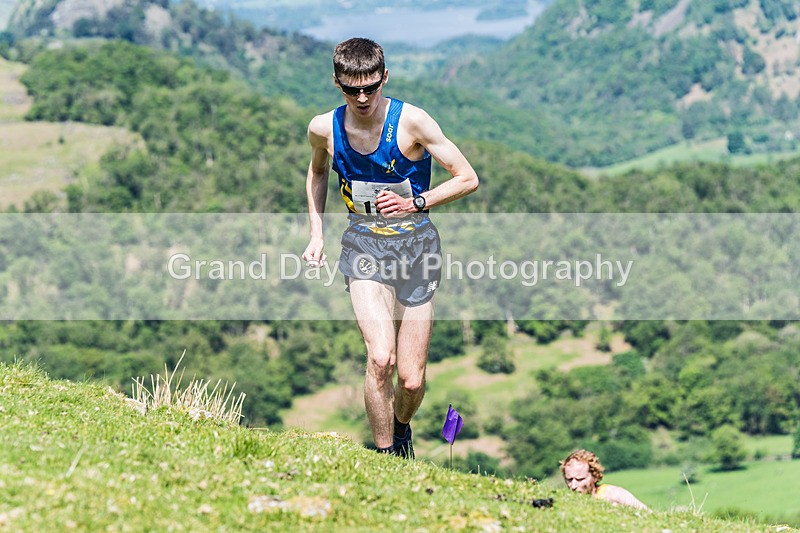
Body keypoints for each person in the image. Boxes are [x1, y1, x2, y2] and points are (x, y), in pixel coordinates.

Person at [302, 37, 478, 459]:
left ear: (385, 77)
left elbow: (467, 177)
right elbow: (316, 172)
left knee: (411, 379)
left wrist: (413, 202)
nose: (361, 97)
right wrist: (316, 233)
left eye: (370, 86)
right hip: (363, 247)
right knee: (381, 358)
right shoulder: (323, 127)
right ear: (336, 82)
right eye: (350, 89)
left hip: (418, 251)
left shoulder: (412, 122)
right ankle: (386, 458)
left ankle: (401, 430)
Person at [560, 449, 649, 510]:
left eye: (580, 479)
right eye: (569, 479)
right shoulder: (566, 502)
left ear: (595, 476)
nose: (573, 486)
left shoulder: (615, 494)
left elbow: (648, 514)